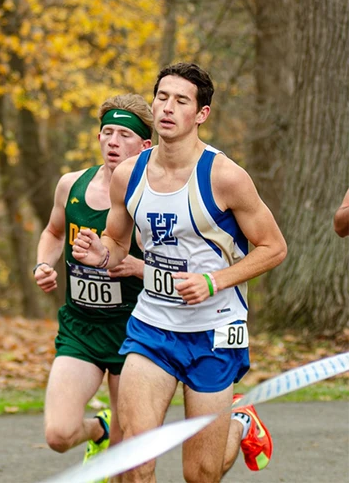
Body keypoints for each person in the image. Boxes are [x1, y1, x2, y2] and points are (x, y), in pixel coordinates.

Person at [71, 63, 287, 482]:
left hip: (216, 330)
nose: (168, 108)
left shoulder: (224, 177)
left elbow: (274, 248)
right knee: (133, 461)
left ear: (201, 114)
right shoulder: (129, 174)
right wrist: (101, 253)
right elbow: (116, 246)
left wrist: (215, 280)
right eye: (162, 97)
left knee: (200, 474)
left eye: (181, 101)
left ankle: (240, 421)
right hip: (153, 326)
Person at [33, 94, 153, 472]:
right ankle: (97, 431)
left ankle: (112, 437)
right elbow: (53, 232)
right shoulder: (71, 185)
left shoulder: (152, 197)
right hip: (81, 327)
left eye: (124, 135)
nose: (113, 141)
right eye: (107, 132)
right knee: (58, 434)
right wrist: (43, 263)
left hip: (131, 329)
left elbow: (180, 266)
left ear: (146, 144)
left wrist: (136, 266)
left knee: (126, 455)